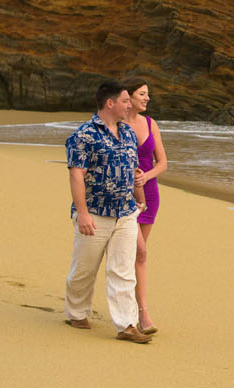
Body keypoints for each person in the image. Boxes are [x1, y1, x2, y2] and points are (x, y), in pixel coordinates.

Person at [64, 80, 153, 344]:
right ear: (110, 103)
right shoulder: (84, 135)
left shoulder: (127, 134)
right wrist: (82, 214)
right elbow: (76, 176)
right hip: (95, 212)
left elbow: (133, 170)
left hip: (125, 212)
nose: (130, 105)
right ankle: (77, 312)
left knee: (123, 270)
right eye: (126, 101)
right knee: (85, 268)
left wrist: (140, 199)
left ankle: (127, 324)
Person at [126, 82, 169, 335]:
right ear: (128, 97)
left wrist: (146, 176)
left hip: (150, 194)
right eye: (142, 94)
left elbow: (163, 162)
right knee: (136, 252)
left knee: (138, 254)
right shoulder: (118, 124)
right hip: (124, 195)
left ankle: (138, 311)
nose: (147, 98)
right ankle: (141, 312)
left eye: (147, 94)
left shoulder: (151, 123)